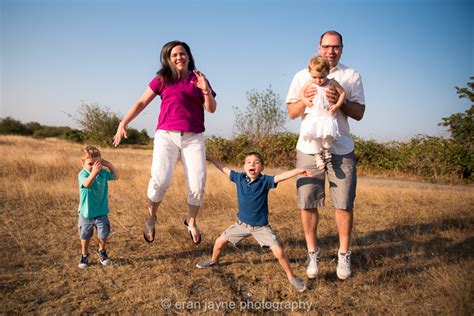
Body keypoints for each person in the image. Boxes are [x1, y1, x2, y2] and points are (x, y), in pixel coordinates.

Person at [112, 40, 217, 245]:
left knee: (197, 184)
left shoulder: (199, 79)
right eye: (174, 55)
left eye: (182, 53)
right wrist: (123, 122)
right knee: (159, 181)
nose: (179, 57)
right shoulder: (163, 78)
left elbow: (211, 108)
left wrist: (205, 89)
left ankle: (191, 221)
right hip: (166, 135)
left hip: (193, 137)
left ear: (189, 56)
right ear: (168, 59)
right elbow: (141, 102)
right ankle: (151, 218)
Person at [286, 30, 365, 280]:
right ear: (319, 47)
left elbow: (360, 112)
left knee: (343, 204)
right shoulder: (302, 75)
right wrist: (305, 100)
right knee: (307, 202)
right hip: (309, 148)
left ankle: (343, 255)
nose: (331, 51)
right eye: (326, 46)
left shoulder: (350, 75)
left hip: (341, 148)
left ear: (342, 48)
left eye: (336, 47)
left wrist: (341, 103)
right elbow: (291, 112)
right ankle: (313, 253)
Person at [196, 153, 310, 293]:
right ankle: (213, 260)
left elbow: (281, 176)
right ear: (244, 166)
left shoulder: (265, 181)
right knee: (219, 242)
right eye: (249, 162)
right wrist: (211, 158)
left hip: (261, 227)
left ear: (262, 167)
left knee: (279, 252)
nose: (252, 165)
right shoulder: (239, 178)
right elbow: (223, 168)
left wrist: (298, 171)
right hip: (242, 225)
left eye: (256, 163)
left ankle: (291, 277)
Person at [299, 55, 346, 169]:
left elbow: (343, 93)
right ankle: (317, 157)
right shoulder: (310, 82)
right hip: (313, 115)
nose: (318, 80)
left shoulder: (332, 83)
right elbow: (301, 92)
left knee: (327, 135)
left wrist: (337, 105)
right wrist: (305, 100)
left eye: (322, 77)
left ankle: (326, 150)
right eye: (315, 77)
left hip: (326, 115)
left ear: (328, 72)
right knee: (313, 137)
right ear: (310, 72)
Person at [77, 145, 119, 268]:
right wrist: (94, 172)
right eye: (90, 164)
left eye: (97, 163)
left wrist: (108, 164)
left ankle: (102, 251)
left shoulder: (103, 173)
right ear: (82, 163)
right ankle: (84, 255)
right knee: (85, 235)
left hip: (101, 212)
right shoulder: (82, 175)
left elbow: (116, 176)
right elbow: (87, 184)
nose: (94, 167)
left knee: (103, 233)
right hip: (86, 213)